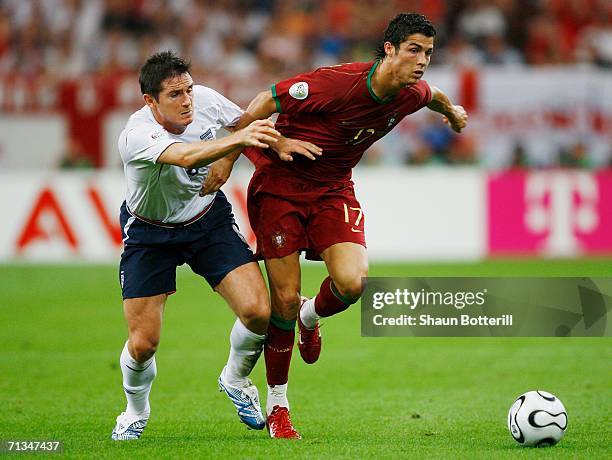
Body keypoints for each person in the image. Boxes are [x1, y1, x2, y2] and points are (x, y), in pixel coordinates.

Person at [202, 13, 468, 439]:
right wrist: (226, 157)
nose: (422, 61)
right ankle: (278, 404)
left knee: (353, 283)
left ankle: (311, 316)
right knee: (282, 302)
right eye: (414, 50)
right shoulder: (336, 83)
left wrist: (452, 112)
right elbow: (262, 102)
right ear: (390, 49)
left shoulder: (411, 92)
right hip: (281, 186)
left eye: (429, 52)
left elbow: (433, 94)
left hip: (332, 191)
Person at [111, 51, 317, 440]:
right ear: (150, 101)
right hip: (150, 233)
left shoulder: (204, 100)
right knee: (143, 344)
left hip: (207, 221)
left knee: (259, 312)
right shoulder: (136, 134)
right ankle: (134, 411)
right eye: (174, 95)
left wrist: (232, 157)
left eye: (188, 89)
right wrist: (234, 143)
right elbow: (186, 156)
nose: (187, 100)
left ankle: (236, 380)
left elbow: (247, 122)